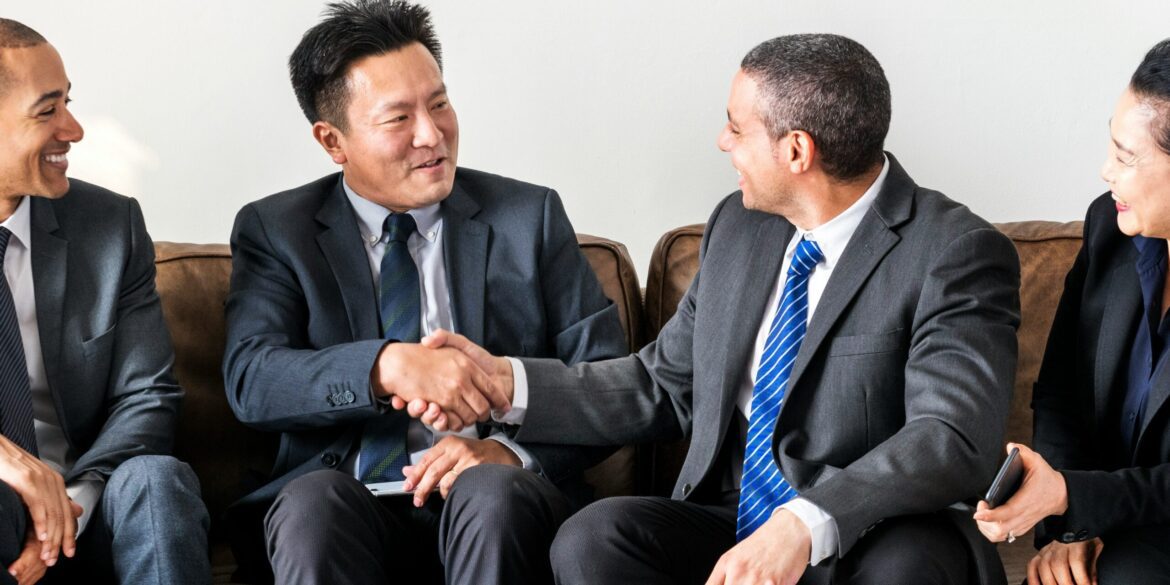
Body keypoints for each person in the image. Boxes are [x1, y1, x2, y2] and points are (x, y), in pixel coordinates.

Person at [423, 33, 1021, 584]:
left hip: (873, 532)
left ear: (796, 150)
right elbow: (664, 385)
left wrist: (804, 523)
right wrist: (504, 383)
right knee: (594, 538)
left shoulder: (954, 251)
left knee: (908, 564)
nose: (722, 142)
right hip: (736, 519)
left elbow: (950, 436)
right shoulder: (739, 226)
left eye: (736, 127)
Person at [220, 1, 627, 583]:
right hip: (345, 506)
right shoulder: (277, 230)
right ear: (333, 141)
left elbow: (609, 382)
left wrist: (509, 454)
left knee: (491, 490)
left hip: (495, 508)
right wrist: (386, 367)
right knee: (313, 504)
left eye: (439, 104)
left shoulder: (527, 217)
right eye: (398, 118)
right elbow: (253, 379)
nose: (432, 135)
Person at [0, 17, 210, 585]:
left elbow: (149, 395)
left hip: (90, 509)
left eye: (67, 103)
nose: (73, 129)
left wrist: (69, 508)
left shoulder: (110, 227)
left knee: (158, 482)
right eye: (47, 111)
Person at [974, 39, 1170, 585]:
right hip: (1110, 520)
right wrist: (1069, 526)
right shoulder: (1110, 227)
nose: (1106, 171)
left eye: (1126, 157)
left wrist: (1072, 497)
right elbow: (1060, 391)